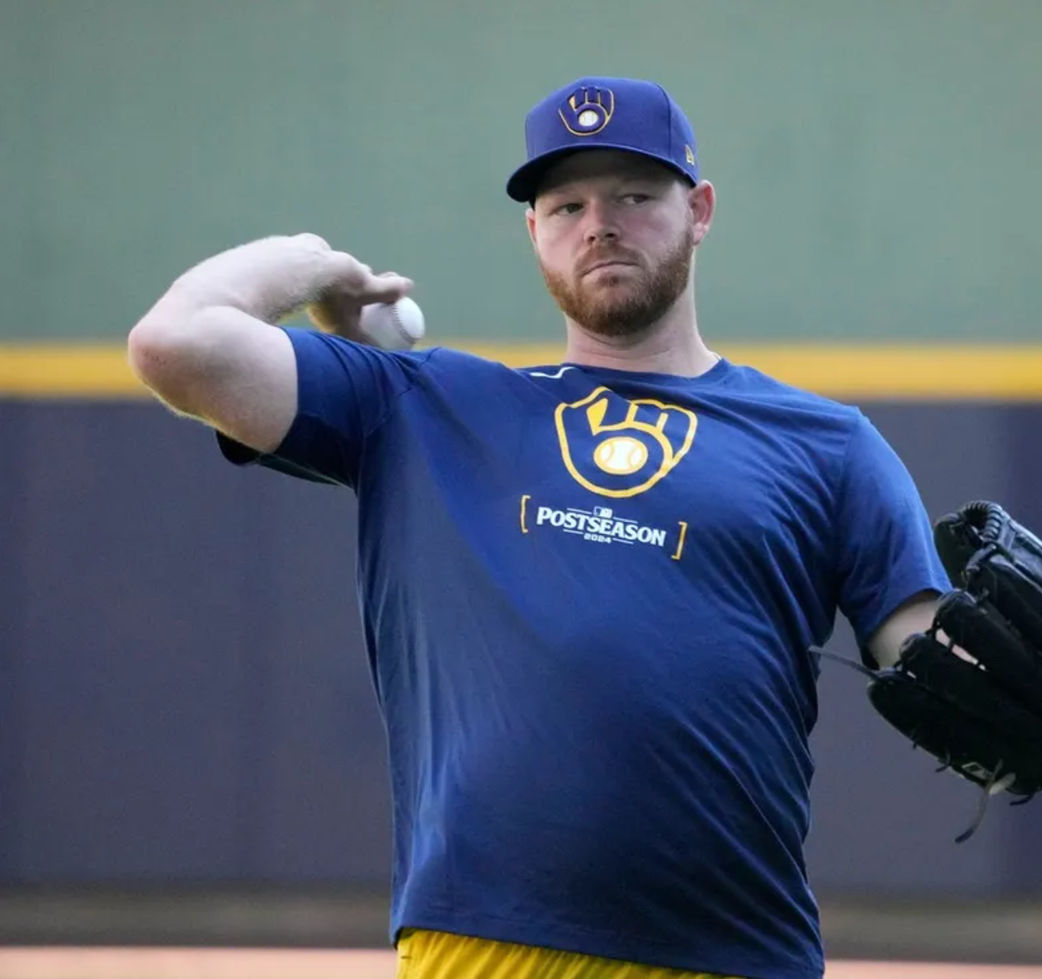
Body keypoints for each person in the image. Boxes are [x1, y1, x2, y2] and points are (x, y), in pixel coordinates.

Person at [128, 77, 949, 979]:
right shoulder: (421, 407)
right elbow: (175, 344)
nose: (600, 223)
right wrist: (315, 261)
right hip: (485, 947)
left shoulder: (827, 445)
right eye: (566, 204)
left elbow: (933, 659)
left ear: (700, 208)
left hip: (736, 951)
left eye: (635, 195)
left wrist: (983, 684)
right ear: (535, 232)